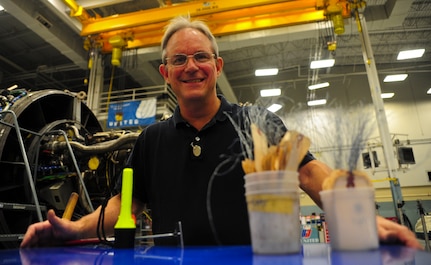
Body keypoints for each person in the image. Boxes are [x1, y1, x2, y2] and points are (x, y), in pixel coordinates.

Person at [20, 16, 422, 249]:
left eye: (201, 56)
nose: (191, 66)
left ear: (218, 65)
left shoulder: (257, 123)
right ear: (165, 74)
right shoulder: (150, 141)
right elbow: (121, 209)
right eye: (179, 59)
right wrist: (72, 229)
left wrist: (358, 217)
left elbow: (310, 174)